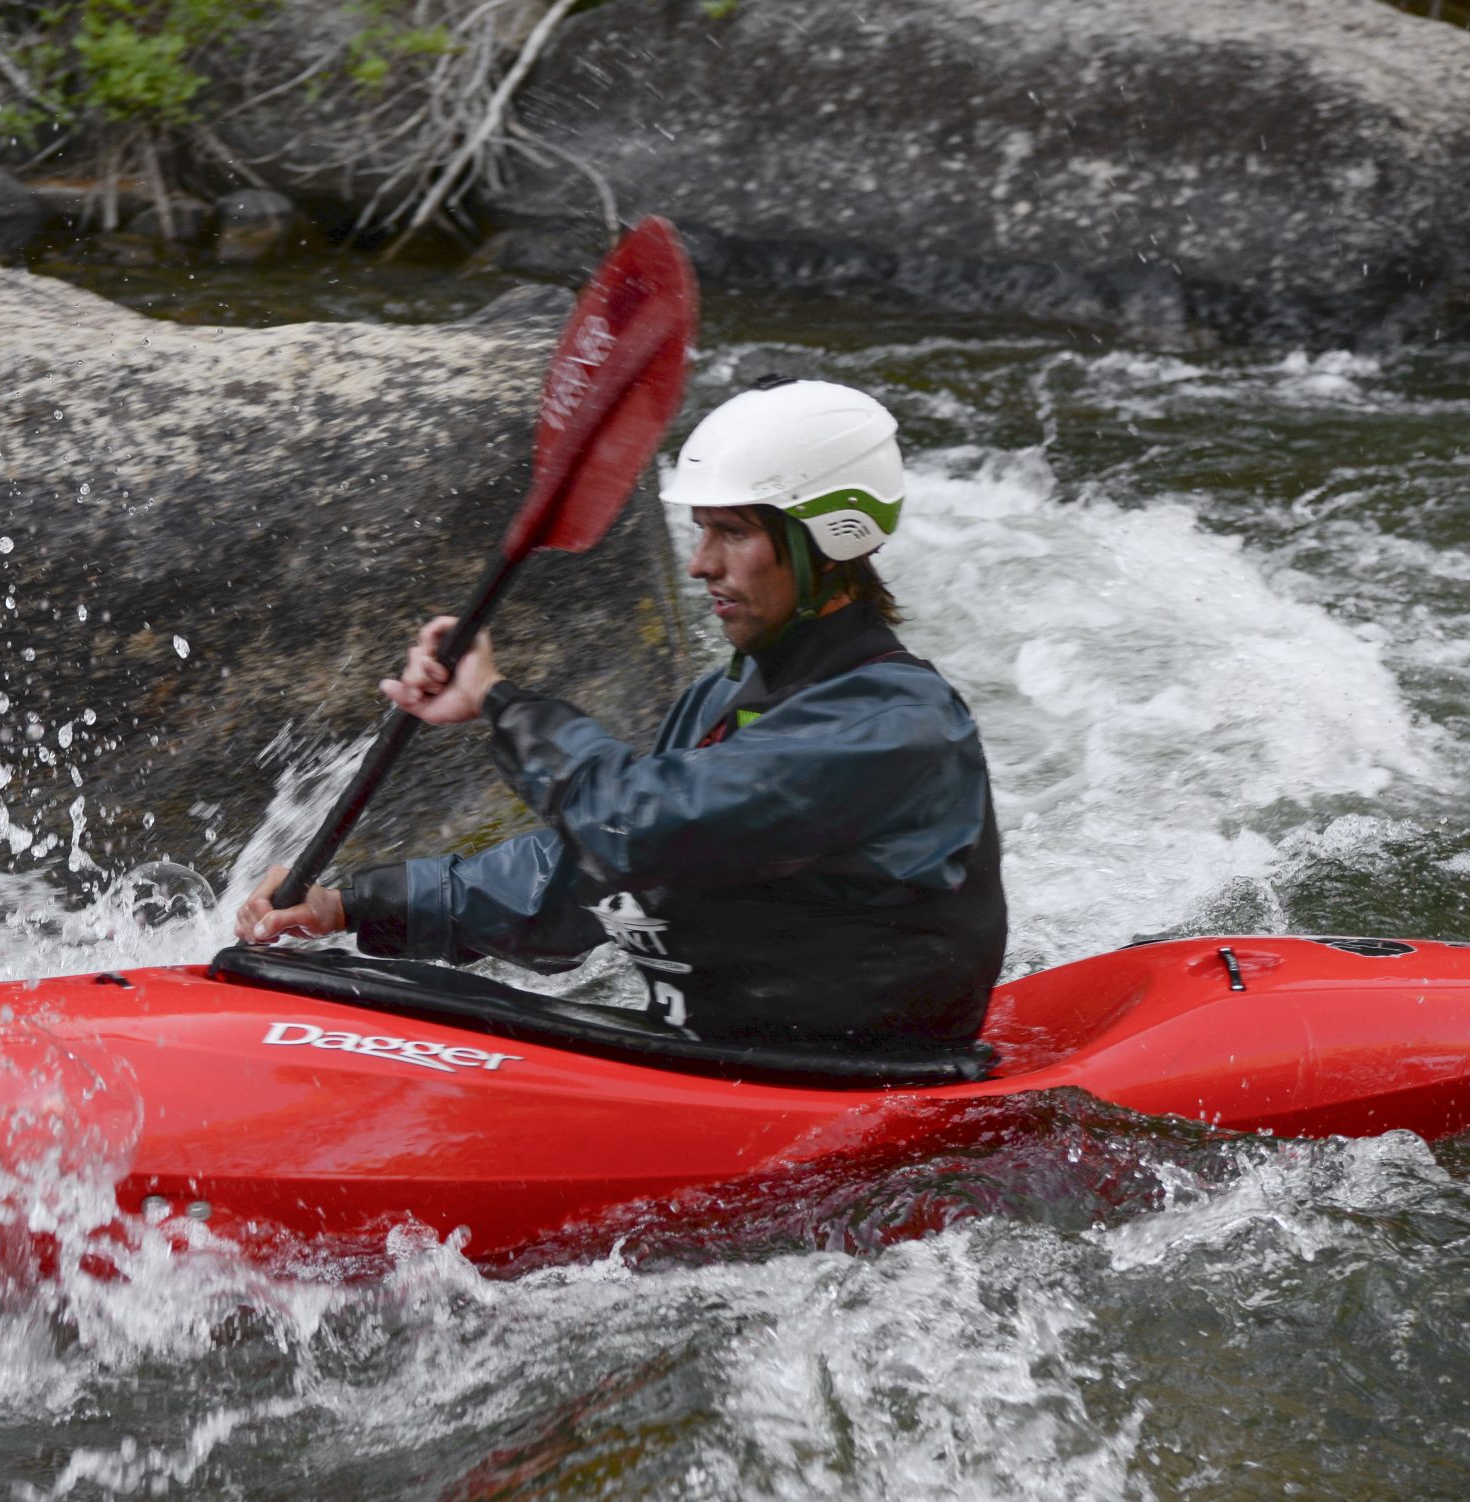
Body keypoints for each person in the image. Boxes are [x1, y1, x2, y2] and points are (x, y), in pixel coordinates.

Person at [235, 377, 1006, 1048]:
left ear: (834, 537)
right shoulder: (722, 699)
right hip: (711, 1050)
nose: (700, 563)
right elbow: (583, 880)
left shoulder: (893, 723)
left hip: (848, 1074)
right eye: (701, 530)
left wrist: (503, 703)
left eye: (734, 532)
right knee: (358, 994)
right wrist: (351, 905)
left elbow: (636, 830)